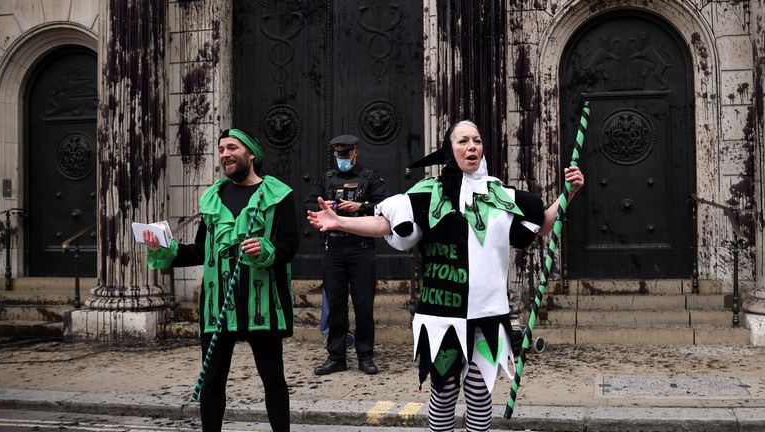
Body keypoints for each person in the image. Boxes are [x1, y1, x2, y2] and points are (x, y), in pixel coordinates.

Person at [307, 121, 584, 432]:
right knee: (444, 392)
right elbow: (384, 224)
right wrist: (340, 222)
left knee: (480, 394)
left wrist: (568, 193)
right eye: (463, 140)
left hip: (488, 317)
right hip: (442, 319)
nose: (472, 146)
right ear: (450, 151)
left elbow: (544, 223)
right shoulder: (430, 195)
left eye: (477, 140)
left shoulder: (502, 197)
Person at [143, 128, 298, 432]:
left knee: (273, 378)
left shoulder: (278, 194)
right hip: (217, 305)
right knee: (212, 381)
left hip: (261, 304)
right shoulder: (215, 196)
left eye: (232, 148)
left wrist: (264, 249)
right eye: (221, 149)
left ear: (250, 153)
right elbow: (203, 250)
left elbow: (290, 248)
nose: (225, 154)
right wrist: (163, 249)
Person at [304, 134, 388, 375]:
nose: (342, 158)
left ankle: (366, 356)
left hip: (361, 250)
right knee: (336, 306)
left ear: (355, 153)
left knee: (363, 306)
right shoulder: (327, 178)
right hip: (335, 251)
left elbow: (386, 206)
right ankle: (336, 356)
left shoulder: (370, 177)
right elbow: (308, 205)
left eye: (346, 153)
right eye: (338, 154)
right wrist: (323, 209)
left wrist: (361, 206)